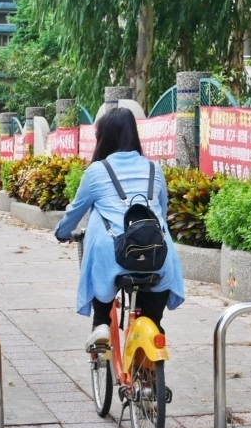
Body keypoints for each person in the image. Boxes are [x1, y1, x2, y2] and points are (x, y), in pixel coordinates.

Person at [54, 108, 185, 350]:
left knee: (98, 231)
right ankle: (152, 340)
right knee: (153, 318)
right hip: (158, 255)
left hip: (113, 256)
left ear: (104, 137)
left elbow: (75, 211)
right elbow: (162, 212)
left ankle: (101, 322)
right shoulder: (154, 170)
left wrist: (62, 232)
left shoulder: (96, 172)